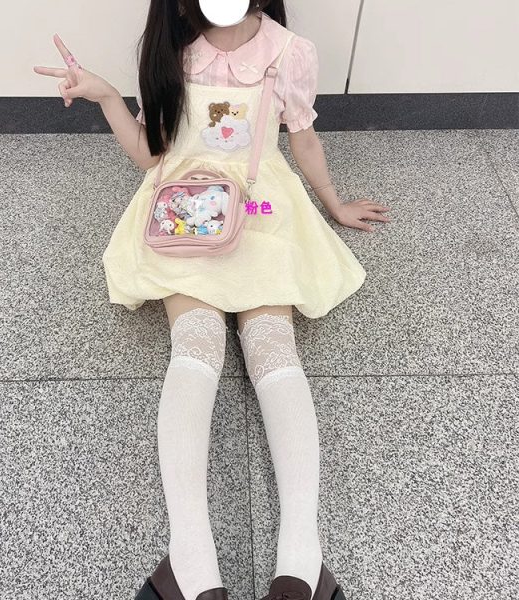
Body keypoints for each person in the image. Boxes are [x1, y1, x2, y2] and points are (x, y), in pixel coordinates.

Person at [34, 2, 391, 600]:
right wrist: (107, 97)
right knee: (196, 347)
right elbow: (151, 154)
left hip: (259, 206)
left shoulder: (289, 51)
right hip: (186, 208)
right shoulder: (171, 49)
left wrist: (333, 202)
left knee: (272, 349)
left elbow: (302, 139)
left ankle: (300, 559)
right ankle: (197, 561)